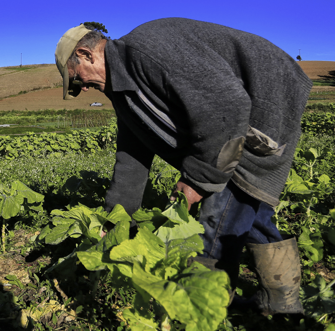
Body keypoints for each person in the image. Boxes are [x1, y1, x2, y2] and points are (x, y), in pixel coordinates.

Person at [54, 18, 312, 315]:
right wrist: (116, 220)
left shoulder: (145, 51)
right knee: (247, 205)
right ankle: (283, 305)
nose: (81, 89)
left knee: (223, 207)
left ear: (87, 55)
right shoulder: (122, 88)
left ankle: (207, 309)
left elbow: (228, 108)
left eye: (76, 78)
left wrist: (199, 181)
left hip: (264, 93)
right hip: (234, 112)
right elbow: (132, 158)